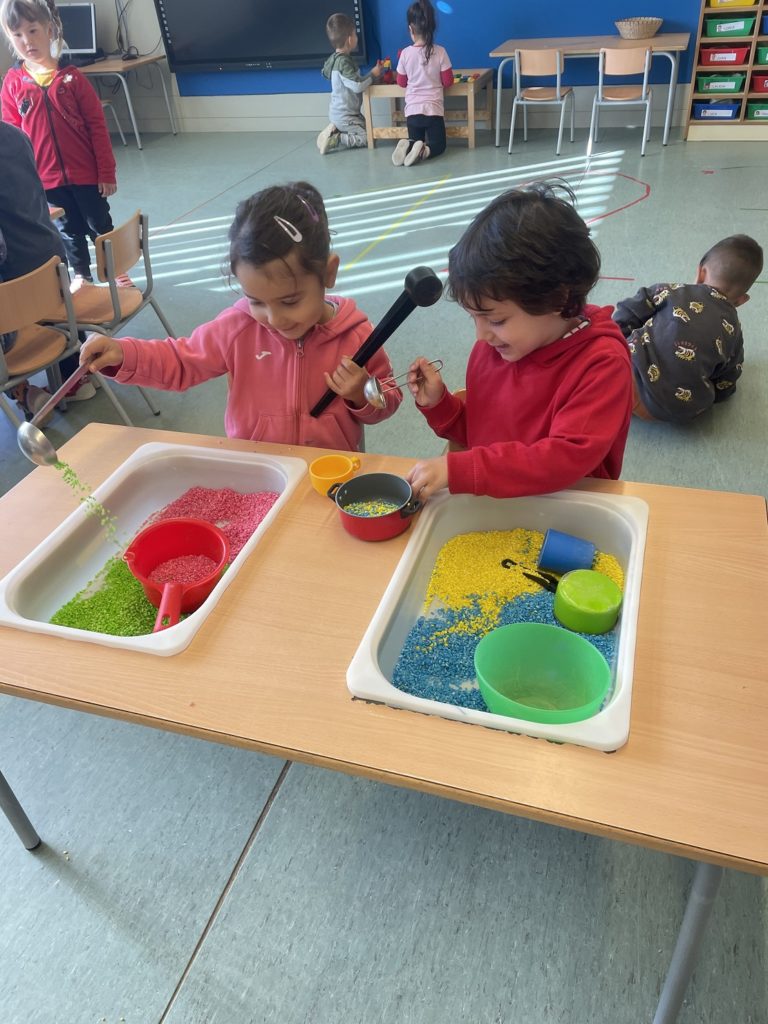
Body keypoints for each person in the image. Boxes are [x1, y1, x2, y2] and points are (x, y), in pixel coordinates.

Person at [79, 181, 403, 451]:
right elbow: (181, 360)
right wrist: (123, 354)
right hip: (258, 472)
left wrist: (362, 393)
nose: (275, 319)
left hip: (332, 473)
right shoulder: (237, 328)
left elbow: (388, 399)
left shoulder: (357, 336)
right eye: (256, 300)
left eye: (290, 301)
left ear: (328, 273)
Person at [405, 181, 633, 501]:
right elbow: (484, 439)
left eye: (496, 320)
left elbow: (561, 460)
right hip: (505, 506)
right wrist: (440, 405)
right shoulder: (494, 349)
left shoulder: (601, 364)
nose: (481, 336)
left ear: (558, 299)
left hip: (569, 509)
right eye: (473, 318)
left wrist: (462, 469)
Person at [0, 0, 118, 283]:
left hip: (86, 175)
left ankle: (117, 272)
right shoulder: (13, 83)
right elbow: (11, 143)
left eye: (33, 30)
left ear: (49, 31)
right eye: (17, 35)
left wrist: (106, 172)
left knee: (99, 225)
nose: (27, 41)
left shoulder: (72, 78)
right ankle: (82, 278)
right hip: (46, 181)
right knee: (69, 232)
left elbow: (97, 127)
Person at [612, 234, 763, 424]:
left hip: (630, 378)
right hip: (675, 410)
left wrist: (617, 335)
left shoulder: (673, 291)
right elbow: (730, 376)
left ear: (701, 273)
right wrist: (718, 394)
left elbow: (632, 308)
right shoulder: (734, 331)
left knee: (614, 365)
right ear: (741, 300)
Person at [0, 119, 96, 417]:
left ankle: (22, 390)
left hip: (14, 279)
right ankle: (77, 375)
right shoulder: (15, 135)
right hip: (49, 253)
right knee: (52, 302)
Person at [391, 0, 453, 167]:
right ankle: (424, 151)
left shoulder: (405, 54)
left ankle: (409, 145)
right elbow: (448, 81)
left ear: (410, 29)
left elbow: (401, 82)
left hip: (412, 111)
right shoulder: (440, 51)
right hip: (433, 111)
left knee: (416, 140)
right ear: (432, 27)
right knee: (439, 144)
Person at [317, 12, 381, 156]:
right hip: (346, 116)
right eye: (355, 34)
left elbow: (326, 73)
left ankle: (335, 129)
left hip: (344, 114)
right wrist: (373, 74)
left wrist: (372, 76)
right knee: (368, 138)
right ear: (350, 39)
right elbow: (357, 85)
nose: (357, 37)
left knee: (370, 130)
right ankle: (337, 138)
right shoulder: (344, 63)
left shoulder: (335, 58)